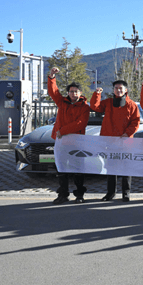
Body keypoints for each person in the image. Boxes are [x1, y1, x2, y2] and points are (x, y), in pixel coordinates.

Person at [90, 80, 140, 202]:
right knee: (111, 168)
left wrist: (126, 134)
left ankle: (126, 193)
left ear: (125, 90)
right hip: (110, 142)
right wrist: (97, 94)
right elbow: (94, 106)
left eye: (121, 88)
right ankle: (110, 193)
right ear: (113, 90)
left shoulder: (132, 105)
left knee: (126, 169)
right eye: (116, 88)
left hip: (125, 142)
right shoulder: (108, 103)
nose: (118, 90)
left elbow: (136, 122)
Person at [47, 67, 91, 204]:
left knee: (78, 169)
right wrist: (52, 77)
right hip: (61, 141)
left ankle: (79, 195)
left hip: (77, 141)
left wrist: (63, 130)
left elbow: (80, 123)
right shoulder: (62, 102)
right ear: (68, 93)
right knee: (61, 169)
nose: (73, 93)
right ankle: (63, 194)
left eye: (76, 91)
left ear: (80, 93)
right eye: (71, 91)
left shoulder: (84, 107)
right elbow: (53, 91)